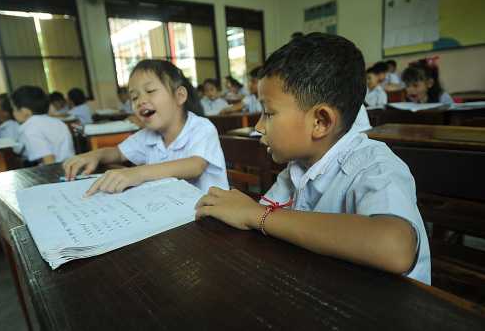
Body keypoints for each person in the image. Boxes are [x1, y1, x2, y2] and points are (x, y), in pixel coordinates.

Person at [195, 32, 430, 285]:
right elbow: (265, 222)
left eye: (269, 113)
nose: (259, 127)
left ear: (320, 122)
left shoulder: (375, 165)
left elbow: (394, 246)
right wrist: (247, 213)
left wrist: (256, 215)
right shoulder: (295, 169)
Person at [63, 59, 229, 195]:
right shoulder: (148, 135)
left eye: (150, 91)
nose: (140, 100)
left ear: (179, 96)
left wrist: (139, 172)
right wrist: (96, 155)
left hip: (210, 218)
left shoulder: (201, 127)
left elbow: (195, 166)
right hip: (172, 213)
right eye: (134, 97)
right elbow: (118, 153)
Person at [11, 86, 75, 164]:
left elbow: (49, 160)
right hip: (71, 166)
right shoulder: (58, 122)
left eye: (14, 109)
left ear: (25, 111)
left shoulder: (30, 128)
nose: (13, 113)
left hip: (55, 171)